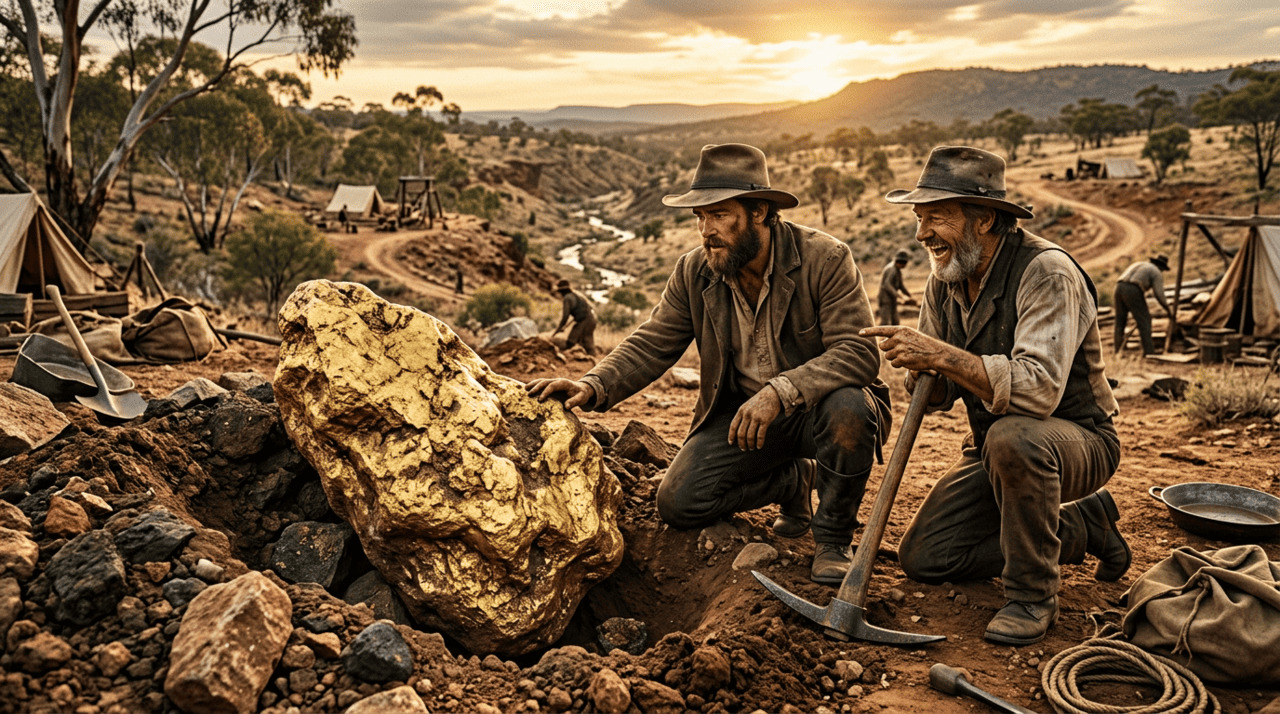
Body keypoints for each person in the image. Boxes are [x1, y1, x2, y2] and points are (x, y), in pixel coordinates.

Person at [526, 143, 888, 584]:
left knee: (849, 407)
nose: (706, 230)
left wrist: (781, 391)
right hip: (743, 416)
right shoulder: (695, 271)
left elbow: (858, 352)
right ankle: (792, 481)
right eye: (699, 217)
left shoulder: (824, 259)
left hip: (819, 411)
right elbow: (654, 340)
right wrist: (593, 384)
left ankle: (832, 539)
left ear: (759, 212)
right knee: (679, 502)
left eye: (719, 215)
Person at [862, 146, 1127, 646]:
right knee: (925, 557)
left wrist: (941, 356)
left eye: (936, 218)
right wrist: (924, 372)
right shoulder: (945, 281)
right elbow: (937, 395)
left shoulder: (1046, 272)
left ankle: (1031, 595)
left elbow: (1039, 390)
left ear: (983, 219)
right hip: (994, 450)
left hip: (1077, 441)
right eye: (919, 220)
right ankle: (1080, 526)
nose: (922, 235)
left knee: (1014, 437)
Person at [1113, 255, 1172, 355]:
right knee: (1145, 320)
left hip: (1118, 287)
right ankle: (1149, 351)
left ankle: (1118, 351)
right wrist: (1168, 309)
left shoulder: (1140, 264)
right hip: (1133, 289)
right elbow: (1159, 294)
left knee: (1120, 321)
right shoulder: (1156, 271)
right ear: (1161, 267)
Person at [552, 279, 597, 356]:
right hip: (591, 318)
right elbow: (583, 311)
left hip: (586, 320)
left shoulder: (567, 298)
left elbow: (565, 317)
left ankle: (592, 360)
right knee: (581, 339)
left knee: (573, 341)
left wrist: (558, 330)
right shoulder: (576, 295)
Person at [877, 249, 916, 325]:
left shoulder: (897, 270)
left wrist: (909, 295)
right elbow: (887, 285)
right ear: (901, 262)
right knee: (886, 322)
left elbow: (901, 286)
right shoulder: (891, 269)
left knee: (895, 321)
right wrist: (899, 296)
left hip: (892, 299)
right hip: (885, 300)